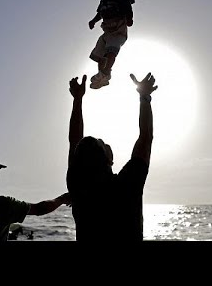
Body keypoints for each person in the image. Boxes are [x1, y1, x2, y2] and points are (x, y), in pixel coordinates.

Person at [66, 73, 157, 241]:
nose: (102, 140)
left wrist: (77, 100)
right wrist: (144, 97)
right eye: (101, 144)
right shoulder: (127, 184)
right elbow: (146, 137)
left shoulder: (78, 187)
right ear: (108, 160)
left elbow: (74, 141)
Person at [88, 0, 135, 89]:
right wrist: (94, 20)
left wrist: (129, 18)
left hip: (118, 27)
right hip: (107, 29)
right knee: (100, 51)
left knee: (111, 50)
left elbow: (127, 7)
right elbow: (100, 12)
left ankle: (106, 71)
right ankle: (103, 74)